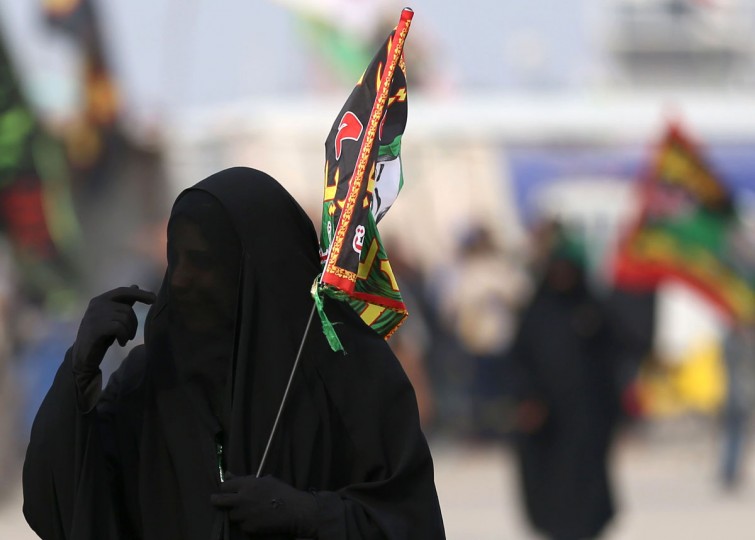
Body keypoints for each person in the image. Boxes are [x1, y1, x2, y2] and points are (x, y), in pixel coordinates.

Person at [22, 166, 446, 540]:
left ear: (256, 269)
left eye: (202, 261)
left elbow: (410, 521)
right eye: (177, 259)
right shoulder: (150, 381)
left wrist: (309, 513)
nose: (183, 279)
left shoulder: (349, 374)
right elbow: (61, 503)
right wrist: (77, 375)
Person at [509, 227, 621, 540]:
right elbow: (519, 360)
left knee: (586, 490)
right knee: (551, 492)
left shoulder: (593, 312)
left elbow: (611, 363)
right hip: (546, 423)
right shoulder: (536, 314)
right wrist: (527, 399)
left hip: (586, 420)